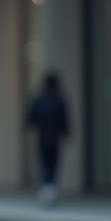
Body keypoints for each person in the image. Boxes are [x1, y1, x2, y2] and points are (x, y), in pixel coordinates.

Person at [26, 70, 71, 206]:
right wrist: (66, 133)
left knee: (44, 164)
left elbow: (30, 119)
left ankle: (47, 189)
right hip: (55, 137)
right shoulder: (59, 99)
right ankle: (50, 190)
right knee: (53, 164)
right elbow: (65, 120)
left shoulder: (38, 99)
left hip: (42, 137)